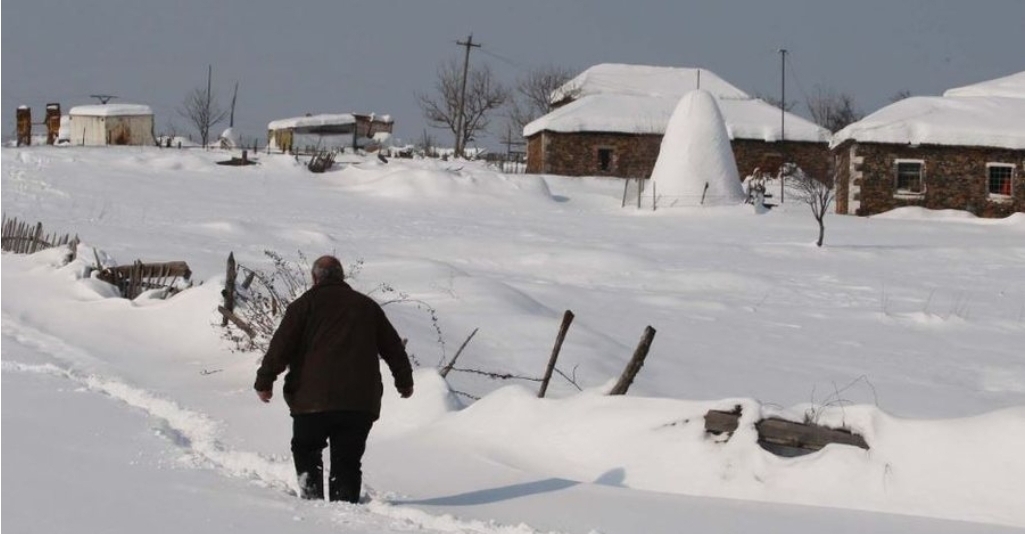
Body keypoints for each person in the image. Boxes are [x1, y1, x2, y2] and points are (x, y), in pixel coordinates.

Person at [254, 255, 414, 503]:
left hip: (310, 401)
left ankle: (313, 504)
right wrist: (404, 381)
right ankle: (344, 512)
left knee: (307, 451)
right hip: (358, 403)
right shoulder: (366, 307)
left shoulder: (303, 306)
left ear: (314, 278)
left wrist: (265, 382)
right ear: (341, 277)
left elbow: (280, 347)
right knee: (347, 461)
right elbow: (393, 348)